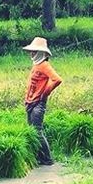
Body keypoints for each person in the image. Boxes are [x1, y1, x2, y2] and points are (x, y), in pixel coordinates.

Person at [22, 36, 62, 166]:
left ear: (41, 53)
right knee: (31, 131)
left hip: (38, 103)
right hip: (31, 102)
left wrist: (45, 93)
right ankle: (39, 157)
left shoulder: (44, 65)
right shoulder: (36, 65)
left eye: (34, 51)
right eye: (31, 51)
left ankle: (48, 159)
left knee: (37, 131)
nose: (31, 54)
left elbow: (57, 80)